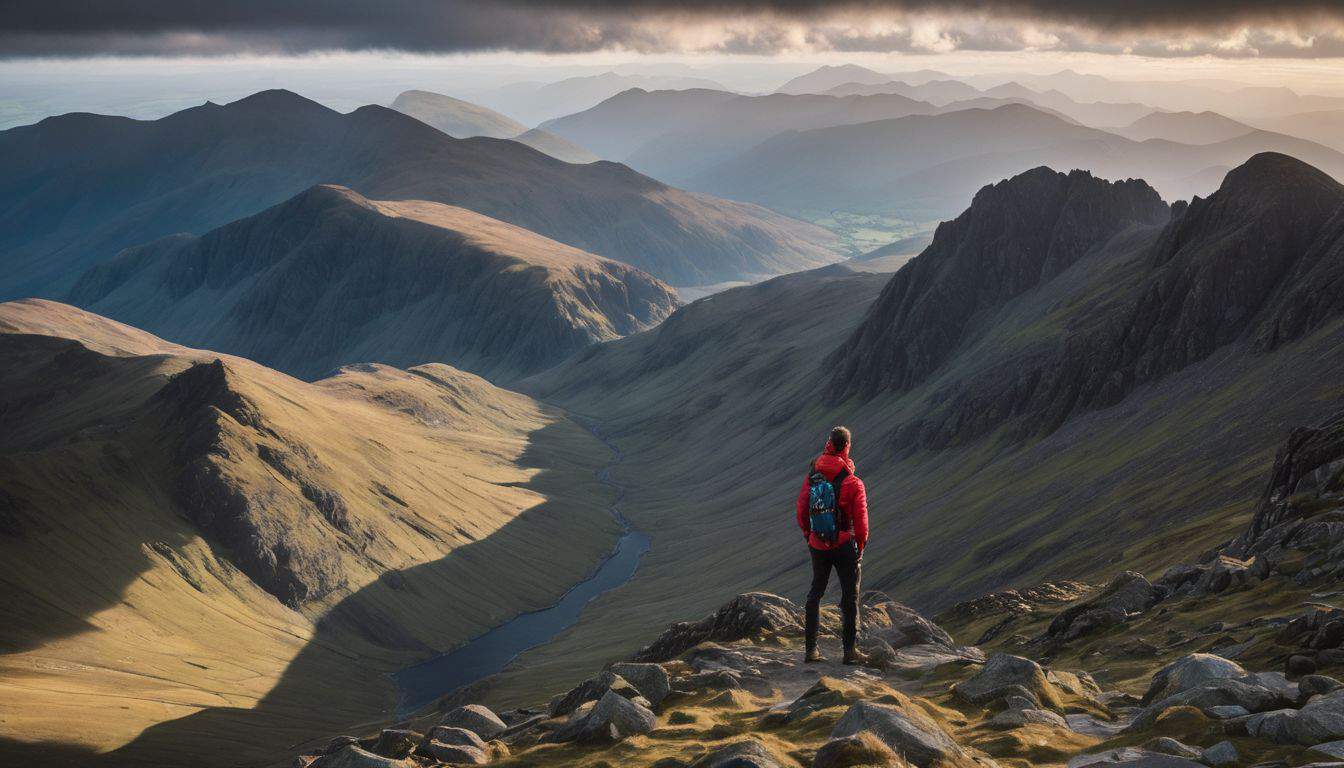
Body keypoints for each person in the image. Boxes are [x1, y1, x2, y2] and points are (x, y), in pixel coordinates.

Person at [795, 425, 869, 664]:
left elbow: (802, 508)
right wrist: (859, 548)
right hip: (844, 544)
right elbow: (861, 523)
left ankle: (811, 650)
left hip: (818, 543)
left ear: (829, 442)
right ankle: (849, 652)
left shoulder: (813, 472)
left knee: (815, 592)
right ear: (846, 446)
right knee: (850, 595)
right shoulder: (852, 482)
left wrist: (810, 535)